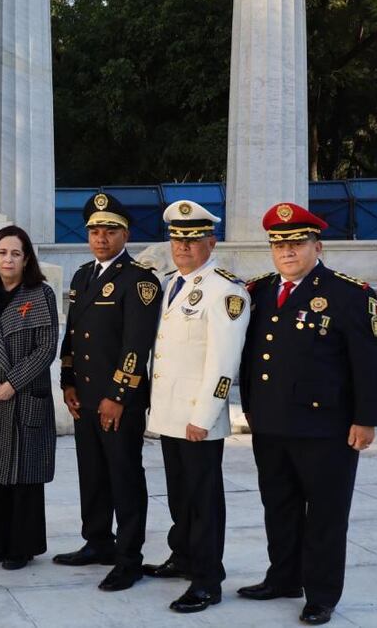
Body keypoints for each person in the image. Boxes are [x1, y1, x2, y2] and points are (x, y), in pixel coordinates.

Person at [237, 203, 377, 626]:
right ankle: (283, 577)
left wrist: (367, 419)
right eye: (279, 243)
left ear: (316, 245)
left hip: (327, 428)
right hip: (270, 422)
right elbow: (252, 356)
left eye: (297, 242)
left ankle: (321, 594)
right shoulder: (260, 291)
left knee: (324, 513)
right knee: (278, 506)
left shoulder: (348, 293)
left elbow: (370, 362)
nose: (287, 251)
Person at [143, 201, 250, 613]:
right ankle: (183, 555)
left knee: (204, 500)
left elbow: (223, 363)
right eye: (176, 238)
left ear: (211, 241)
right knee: (179, 495)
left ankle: (207, 579)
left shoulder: (226, 290)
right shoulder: (173, 283)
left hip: (196, 416)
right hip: (169, 413)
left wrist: (204, 417)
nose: (182, 247)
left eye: (192, 239)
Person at [54, 193, 161, 592]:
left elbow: (137, 345)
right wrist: (67, 382)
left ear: (125, 234)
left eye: (110, 231)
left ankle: (129, 558)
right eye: (95, 231)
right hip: (84, 396)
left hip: (118, 400)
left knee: (124, 475)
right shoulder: (83, 275)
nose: (101, 238)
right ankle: (98, 541)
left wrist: (118, 395)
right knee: (93, 473)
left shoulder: (140, 280)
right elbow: (72, 336)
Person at [0, 225, 59, 570]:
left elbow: (47, 348)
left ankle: (23, 546)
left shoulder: (40, 294)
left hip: (24, 394)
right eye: (3, 252)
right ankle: (0, 540)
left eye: (16, 253)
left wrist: (12, 383)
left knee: (24, 474)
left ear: (26, 258)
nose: (9, 259)